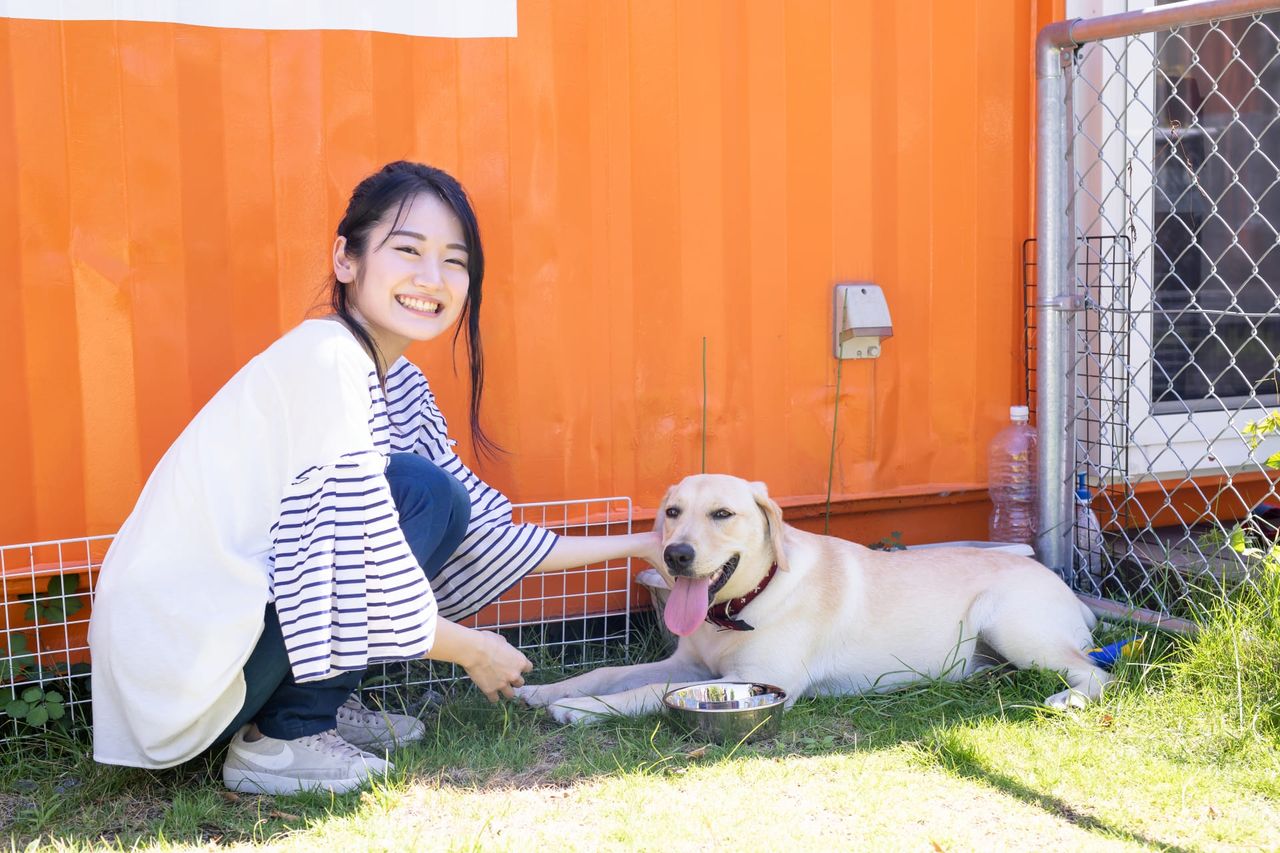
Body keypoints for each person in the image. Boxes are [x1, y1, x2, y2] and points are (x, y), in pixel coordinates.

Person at [88, 161, 661, 795]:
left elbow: (486, 533)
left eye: (454, 260)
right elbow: (365, 560)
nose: (431, 278)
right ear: (346, 259)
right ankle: (284, 741)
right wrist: (474, 649)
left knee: (432, 496)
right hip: (183, 660)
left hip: (223, 644)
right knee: (417, 492)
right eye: (407, 250)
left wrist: (643, 544)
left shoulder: (396, 381)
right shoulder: (328, 361)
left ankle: (305, 710)